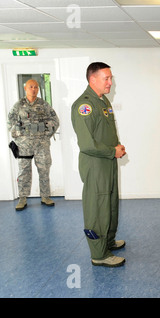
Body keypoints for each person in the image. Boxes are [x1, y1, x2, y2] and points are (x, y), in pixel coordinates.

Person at [71, 62, 127, 267]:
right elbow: (86, 144)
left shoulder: (103, 102)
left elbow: (106, 133)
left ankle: (108, 242)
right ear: (92, 79)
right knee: (97, 208)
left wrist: (116, 149)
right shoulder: (84, 106)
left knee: (110, 203)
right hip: (95, 165)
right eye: (107, 78)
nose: (110, 82)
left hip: (108, 162)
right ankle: (99, 254)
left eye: (111, 78)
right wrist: (113, 151)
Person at [7, 79, 59, 211]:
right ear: (25, 88)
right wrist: (19, 134)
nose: (34, 89)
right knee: (24, 171)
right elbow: (10, 122)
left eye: (36, 87)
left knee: (44, 170)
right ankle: (22, 198)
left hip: (41, 145)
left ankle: (45, 197)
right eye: (31, 87)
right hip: (24, 146)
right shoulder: (19, 105)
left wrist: (46, 132)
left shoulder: (43, 104)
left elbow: (54, 120)